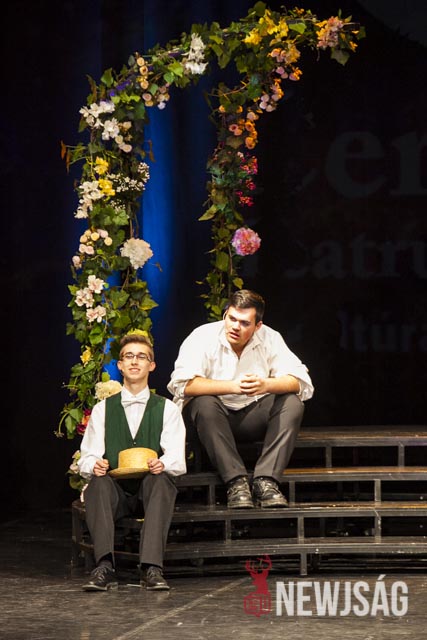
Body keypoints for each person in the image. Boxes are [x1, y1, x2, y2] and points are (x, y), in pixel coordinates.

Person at [167, 290, 313, 509]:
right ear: (225, 315)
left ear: (258, 326)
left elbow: (301, 381)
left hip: (251, 416)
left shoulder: (270, 338)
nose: (235, 327)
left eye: (244, 323)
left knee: (292, 403)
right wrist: (233, 386)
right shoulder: (202, 336)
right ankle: (236, 482)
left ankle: (266, 481)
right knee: (203, 403)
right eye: (232, 318)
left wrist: (266, 384)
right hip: (211, 420)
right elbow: (183, 385)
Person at [78, 333, 186, 592]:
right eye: (128, 356)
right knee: (98, 483)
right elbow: (87, 456)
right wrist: (95, 465)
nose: (135, 361)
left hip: (149, 488)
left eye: (141, 357)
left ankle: (151, 568)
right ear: (120, 365)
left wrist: (163, 463)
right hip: (116, 491)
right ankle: (104, 566)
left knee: (161, 481)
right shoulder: (103, 409)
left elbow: (177, 458)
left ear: (152, 365)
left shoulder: (167, 408)